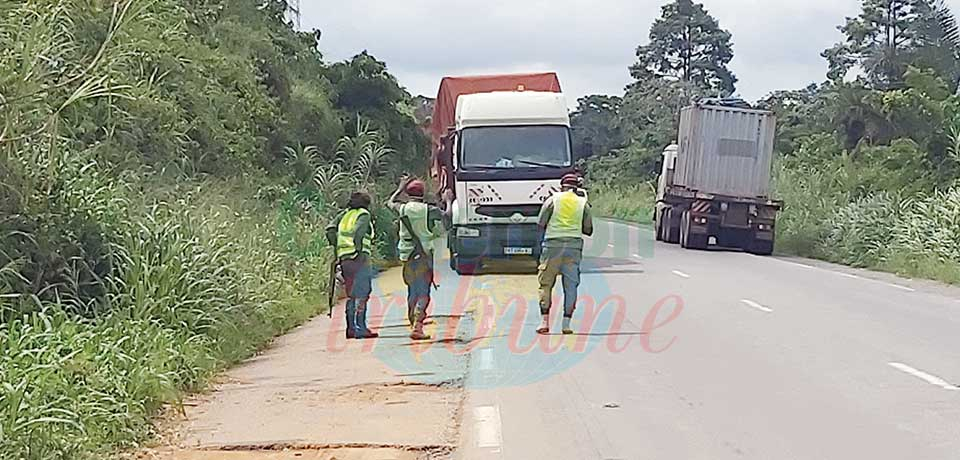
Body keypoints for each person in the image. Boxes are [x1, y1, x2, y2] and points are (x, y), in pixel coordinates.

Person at [389, 176, 448, 340]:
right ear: (423, 193)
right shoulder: (429, 210)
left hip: (406, 256)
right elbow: (447, 216)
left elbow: (390, 203)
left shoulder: (402, 209)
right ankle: (417, 326)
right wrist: (448, 200)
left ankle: (412, 320)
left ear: (408, 194)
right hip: (423, 255)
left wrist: (399, 188)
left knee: (412, 290)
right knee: (423, 293)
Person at [536, 173, 593, 335]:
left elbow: (541, 222)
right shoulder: (583, 204)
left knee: (545, 284)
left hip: (552, 245)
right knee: (571, 286)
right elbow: (588, 229)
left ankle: (544, 323)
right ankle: (566, 325)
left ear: (562, 186)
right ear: (577, 187)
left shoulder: (552, 200)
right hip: (574, 247)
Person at [326, 191, 379, 340]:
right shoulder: (363, 214)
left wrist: (337, 247)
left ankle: (351, 328)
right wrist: (357, 250)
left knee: (351, 294)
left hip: (344, 259)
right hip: (359, 259)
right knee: (363, 292)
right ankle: (360, 328)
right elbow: (358, 233)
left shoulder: (344, 214)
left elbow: (330, 229)